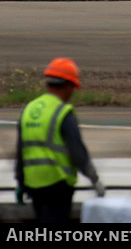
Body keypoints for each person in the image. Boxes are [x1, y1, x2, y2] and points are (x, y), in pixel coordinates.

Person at [14, 59, 104, 225]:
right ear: (69, 86)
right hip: (58, 184)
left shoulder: (29, 109)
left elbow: (21, 151)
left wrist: (20, 182)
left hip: (33, 184)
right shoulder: (63, 112)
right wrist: (95, 179)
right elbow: (78, 153)